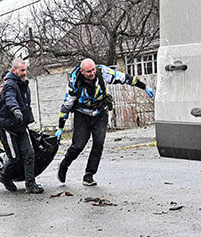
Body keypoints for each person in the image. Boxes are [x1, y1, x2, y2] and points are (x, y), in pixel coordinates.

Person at [56, 58, 155, 187]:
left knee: (98, 143)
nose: (92, 73)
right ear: (82, 71)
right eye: (88, 71)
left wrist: (144, 87)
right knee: (78, 146)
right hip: (82, 114)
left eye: (93, 70)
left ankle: (89, 175)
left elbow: (124, 78)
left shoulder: (102, 72)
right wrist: (60, 127)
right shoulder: (74, 81)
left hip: (100, 113)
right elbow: (67, 105)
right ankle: (64, 165)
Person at [0, 59, 43, 194]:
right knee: (15, 158)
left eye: (25, 70)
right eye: (21, 70)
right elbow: (10, 98)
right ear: (14, 70)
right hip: (8, 128)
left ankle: (30, 184)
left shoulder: (23, 84)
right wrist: (16, 110)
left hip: (21, 125)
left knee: (29, 154)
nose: (24, 72)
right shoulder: (9, 85)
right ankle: (4, 176)